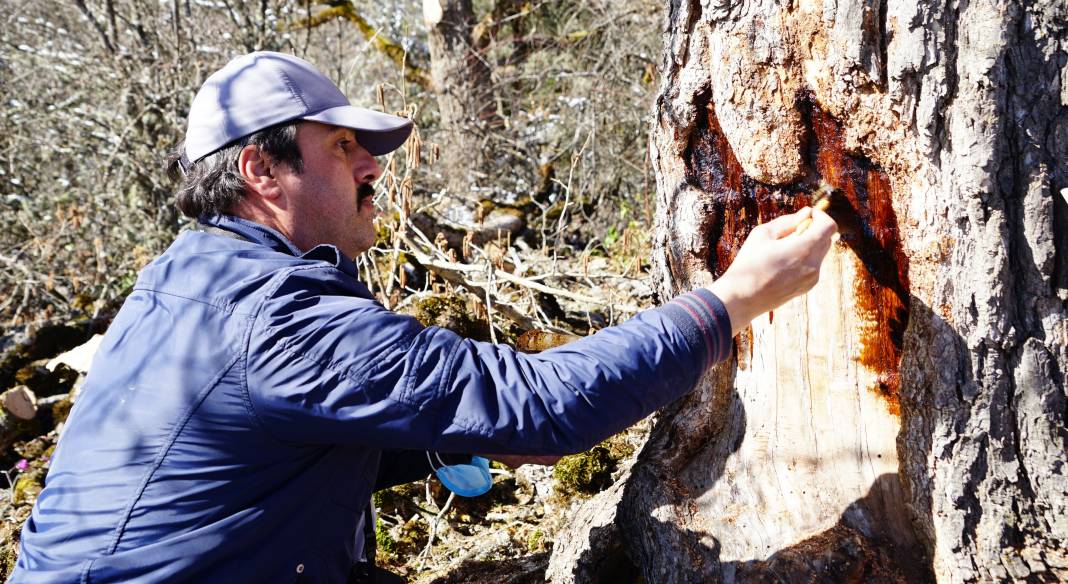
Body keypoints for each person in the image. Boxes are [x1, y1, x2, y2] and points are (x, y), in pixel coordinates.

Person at [11, 52, 837, 582]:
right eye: (342, 147)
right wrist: (734, 300)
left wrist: (446, 437)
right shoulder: (276, 318)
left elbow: (250, 460)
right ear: (263, 169)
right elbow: (543, 406)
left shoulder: (183, 284)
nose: (373, 164)